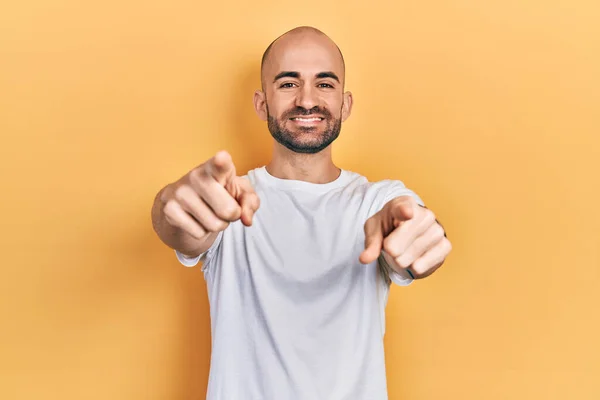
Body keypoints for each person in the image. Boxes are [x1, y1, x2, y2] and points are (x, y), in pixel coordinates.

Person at [151, 26, 452, 400]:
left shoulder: (378, 201)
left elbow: (414, 226)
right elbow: (175, 225)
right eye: (288, 84)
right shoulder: (229, 199)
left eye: (325, 84)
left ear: (346, 104)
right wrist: (173, 205)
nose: (307, 100)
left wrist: (419, 233)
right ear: (262, 104)